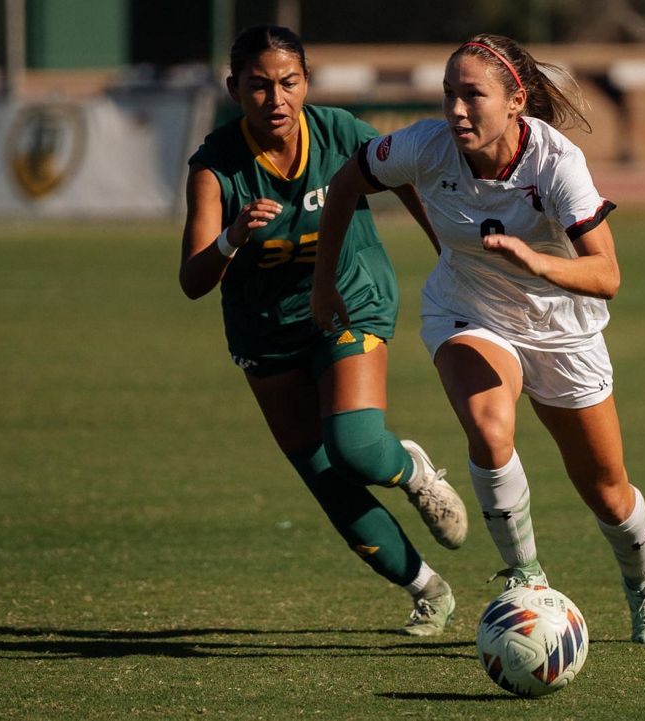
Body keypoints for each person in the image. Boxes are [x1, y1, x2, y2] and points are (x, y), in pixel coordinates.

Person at [313, 33, 645, 647]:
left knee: (607, 490)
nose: (456, 109)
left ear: (515, 102)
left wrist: (536, 263)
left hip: (563, 328)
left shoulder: (555, 164)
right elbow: (346, 183)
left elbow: (606, 276)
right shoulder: (425, 146)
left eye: (472, 96)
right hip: (468, 310)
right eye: (448, 94)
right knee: (488, 427)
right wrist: (324, 285)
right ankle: (526, 577)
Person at [179, 26, 467, 636]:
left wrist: (450, 255)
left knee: (356, 446)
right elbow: (193, 279)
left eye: (288, 83)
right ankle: (427, 591)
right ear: (234, 89)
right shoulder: (214, 166)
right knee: (325, 476)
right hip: (265, 333)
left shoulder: (341, 134)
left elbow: (410, 179)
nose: (275, 99)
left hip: (349, 302)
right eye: (258, 86)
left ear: (306, 82)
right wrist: (232, 238)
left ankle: (413, 472)